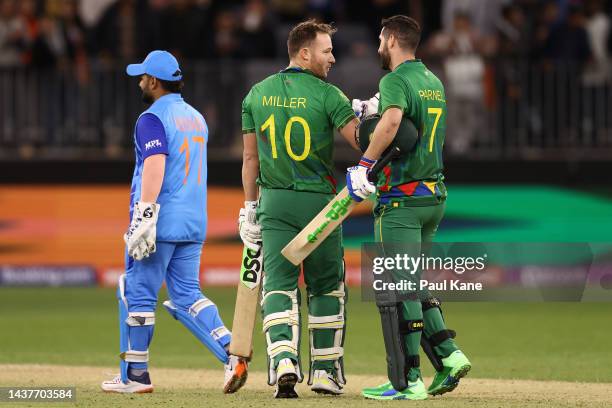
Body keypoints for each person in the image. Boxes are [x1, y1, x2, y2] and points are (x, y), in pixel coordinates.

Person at [100, 50, 248, 394]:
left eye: (142, 77)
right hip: (194, 220)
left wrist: (146, 213)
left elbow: (155, 163)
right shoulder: (197, 118)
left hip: (161, 220)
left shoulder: (150, 118)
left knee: (136, 291)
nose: (139, 82)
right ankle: (232, 352)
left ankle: (135, 375)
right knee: (186, 295)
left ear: (153, 81)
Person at [347, 16, 472, 401]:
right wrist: (374, 111)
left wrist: (364, 165)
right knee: (413, 283)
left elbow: (396, 123)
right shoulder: (432, 81)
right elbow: (406, 125)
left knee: (399, 289)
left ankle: (410, 380)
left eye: (381, 39)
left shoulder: (395, 79)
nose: (378, 46)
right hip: (433, 196)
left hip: (401, 199)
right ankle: (449, 356)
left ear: (393, 39)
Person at [239, 20, 360, 398]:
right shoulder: (329, 95)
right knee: (326, 286)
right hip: (319, 204)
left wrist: (249, 208)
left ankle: (284, 359)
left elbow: (249, 159)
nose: (333, 58)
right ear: (304, 53)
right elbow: (360, 141)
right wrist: (374, 116)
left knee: (278, 285)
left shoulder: (256, 94)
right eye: (326, 51)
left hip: (273, 202)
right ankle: (324, 371)